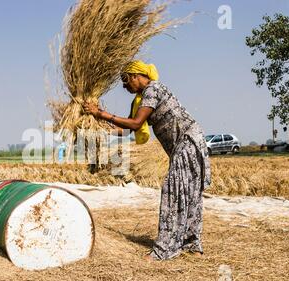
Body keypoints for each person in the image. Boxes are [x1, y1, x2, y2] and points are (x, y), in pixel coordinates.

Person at [83, 60, 211, 261]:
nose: (125, 86)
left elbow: (135, 123)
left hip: (188, 142)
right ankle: (192, 245)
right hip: (187, 144)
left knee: (174, 191)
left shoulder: (153, 89)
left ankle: (164, 249)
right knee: (188, 192)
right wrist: (97, 125)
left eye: (125, 80)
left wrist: (101, 112)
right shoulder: (142, 100)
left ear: (135, 75)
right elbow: (126, 130)